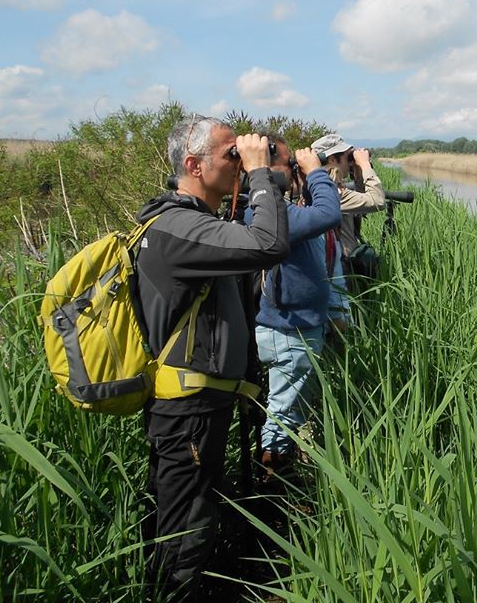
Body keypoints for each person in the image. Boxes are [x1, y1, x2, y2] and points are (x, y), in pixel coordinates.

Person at [134, 114, 290, 599]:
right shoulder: (178, 228)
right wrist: (263, 173)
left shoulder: (199, 225)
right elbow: (268, 243)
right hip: (187, 416)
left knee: (195, 516)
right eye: (231, 155)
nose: (240, 162)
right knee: (186, 532)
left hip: (202, 409)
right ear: (192, 165)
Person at [246, 134, 348, 478]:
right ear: (269, 168)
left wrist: (306, 179)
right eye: (289, 164)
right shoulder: (271, 215)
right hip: (290, 333)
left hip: (293, 329)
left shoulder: (275, 211)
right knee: (283, 414)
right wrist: (316, 172)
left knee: (289, 409)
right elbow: (328, 215)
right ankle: (274, 486)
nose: (294, 169)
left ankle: (282, 470)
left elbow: (314, 216)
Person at [310, 133, 385, 267]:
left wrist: (358, 175)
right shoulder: (332, 192)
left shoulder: (317, 186)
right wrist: (365, 164)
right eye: (347, 157)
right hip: (342, 267)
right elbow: (377, 201)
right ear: (332, 159)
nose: (350, 161)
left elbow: (361, 205)